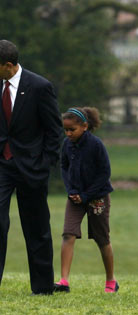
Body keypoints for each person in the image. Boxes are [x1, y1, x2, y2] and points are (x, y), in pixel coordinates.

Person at [0, 39, 62, 298]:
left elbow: (54, 131)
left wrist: (45, 164)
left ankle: (43, 286)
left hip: (31, 166)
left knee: (36, 226)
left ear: (9, 66)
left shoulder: (40, 87)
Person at [54, 107, 117, 293]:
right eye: (65, 130)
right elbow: (64, 166)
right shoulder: (67, 144)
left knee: (102, 238)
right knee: (68, 234)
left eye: (71, 129)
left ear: (84, 126)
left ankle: (111, 281)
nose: (68, 133)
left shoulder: (96, 145)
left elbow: (105, 173)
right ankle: (63, 280)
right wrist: (71, 190)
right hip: (75, 197)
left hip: (97, 198)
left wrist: (86, 195)